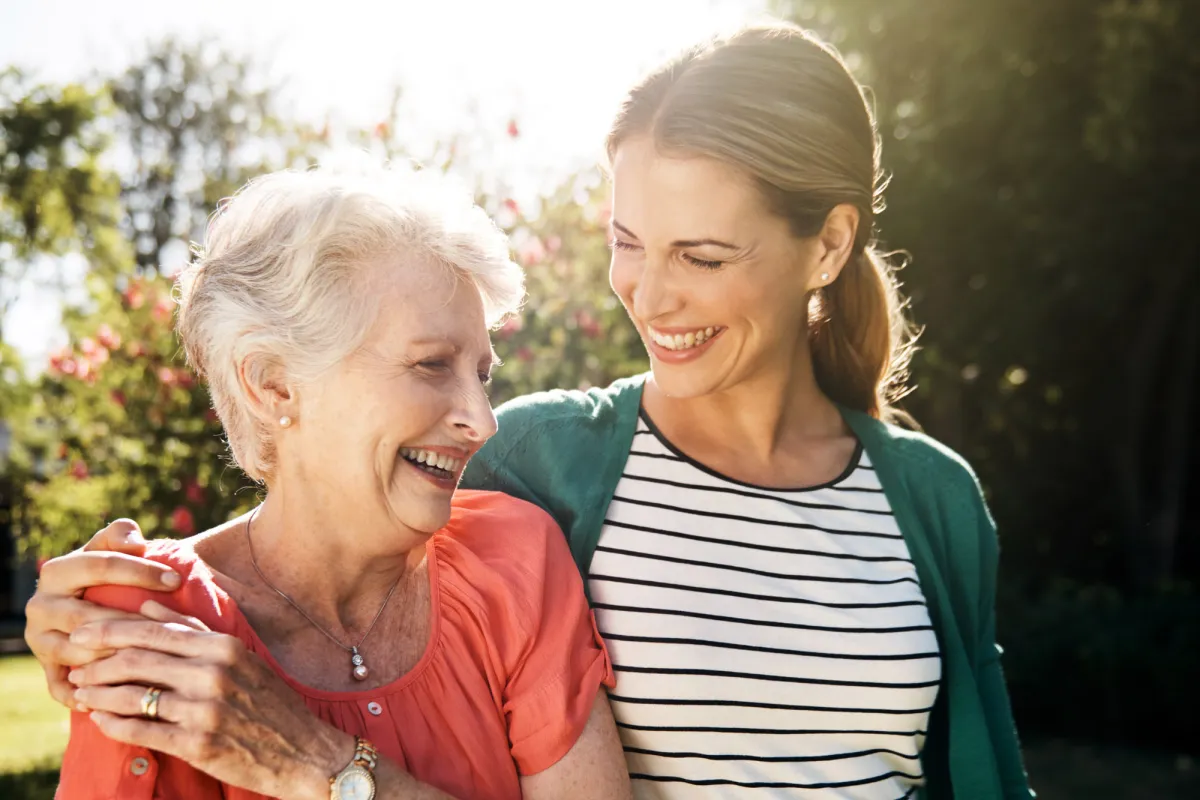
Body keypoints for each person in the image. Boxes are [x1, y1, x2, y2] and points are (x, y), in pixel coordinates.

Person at [26, 23, 1031, 800]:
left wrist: (327, 766)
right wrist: (102, 599)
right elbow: (328, 518)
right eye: (628, 239)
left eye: (703, 255)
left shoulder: (932, 498)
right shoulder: (550, 462)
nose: (648, 292)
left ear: (827, 246)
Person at [40, 165, 632, 800]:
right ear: (272, 384)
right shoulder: (160, 623)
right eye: (432, 364)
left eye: (482, 374)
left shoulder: (510, 558)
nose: (482, 421)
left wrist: (322, 764)